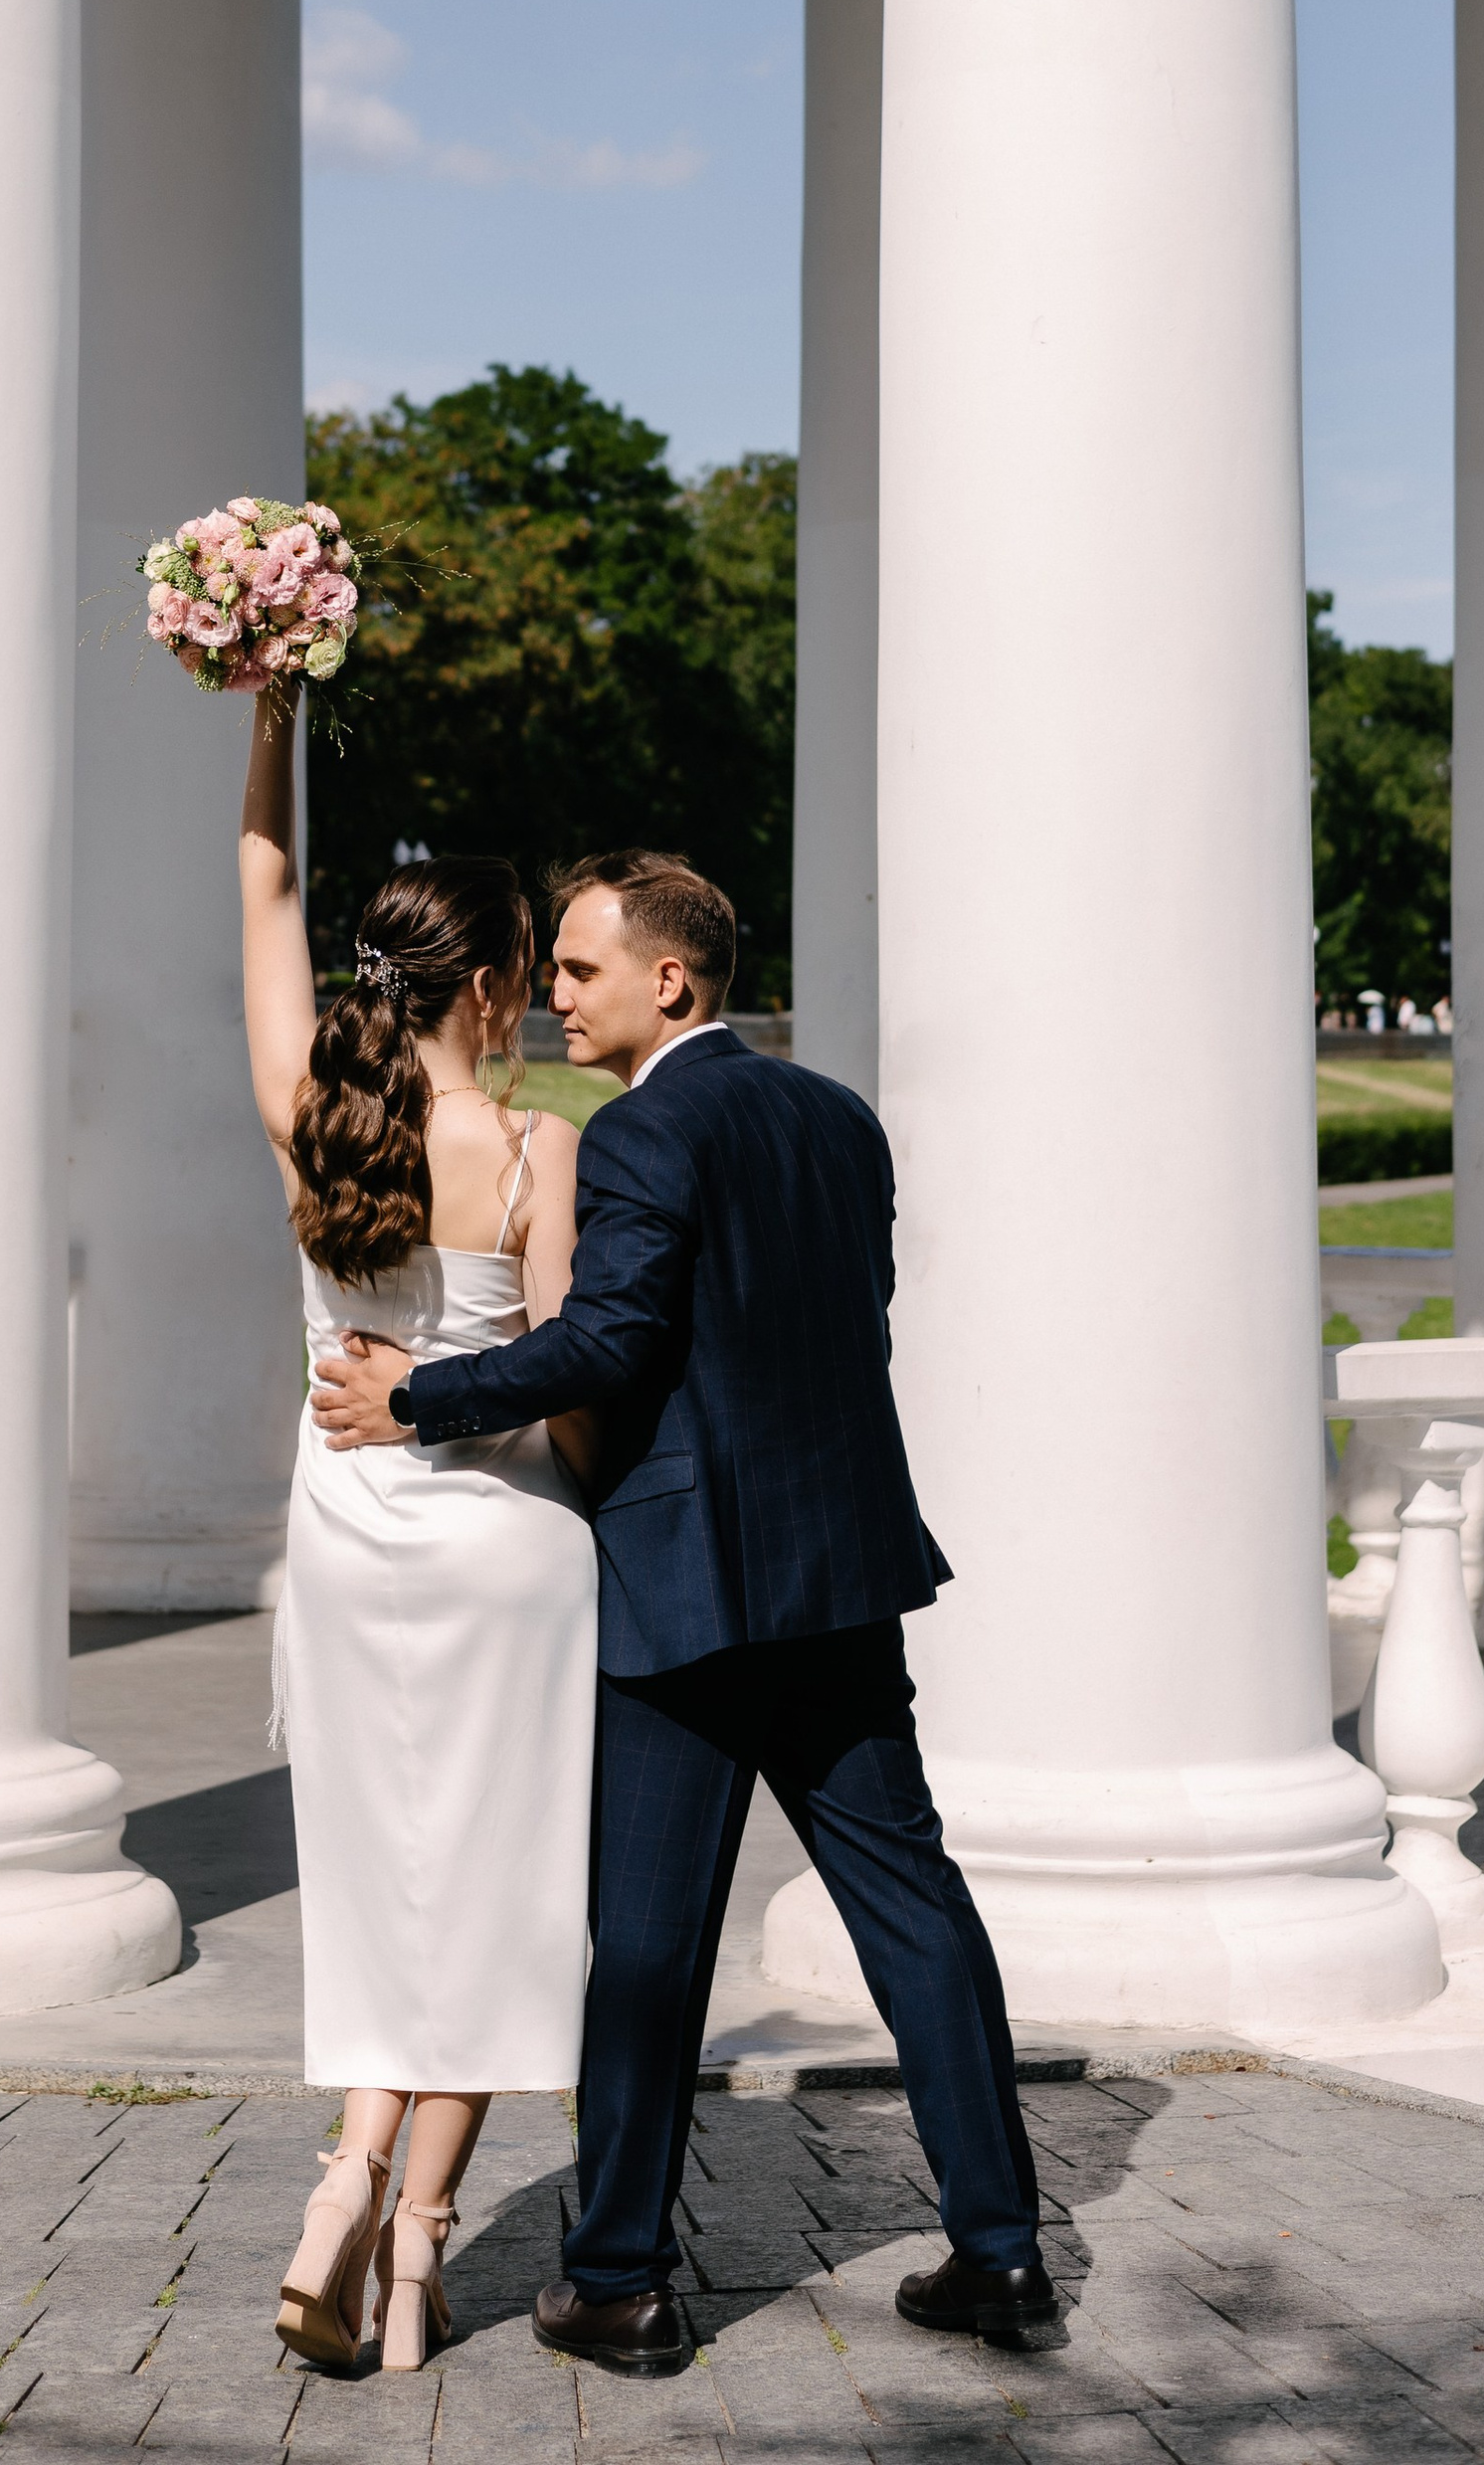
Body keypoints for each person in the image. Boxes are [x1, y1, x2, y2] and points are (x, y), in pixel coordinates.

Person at [314, 849, 1051, 2375]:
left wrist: (421, 1397)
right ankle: (1002, 2253)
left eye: (581, 970)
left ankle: (621, 2281)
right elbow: (843, 1320)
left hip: (684, 1590)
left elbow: (609, 1336)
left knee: (645, 1946)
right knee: (915, 1909)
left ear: (673, 979)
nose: (556, 994)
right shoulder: (840, 1120)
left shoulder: (647, 1128)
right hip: (842, 1577)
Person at [239, 703, 596, 2374]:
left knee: (388, 1896)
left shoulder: (318, 1112)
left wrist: (271, 710)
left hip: (345, 1542)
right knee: (502, 1895)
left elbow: (259, 897)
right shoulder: (535, 1149)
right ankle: (413, 2246)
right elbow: (562, 1391)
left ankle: (351, 2190)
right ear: (492, 988)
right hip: (503, 1549)